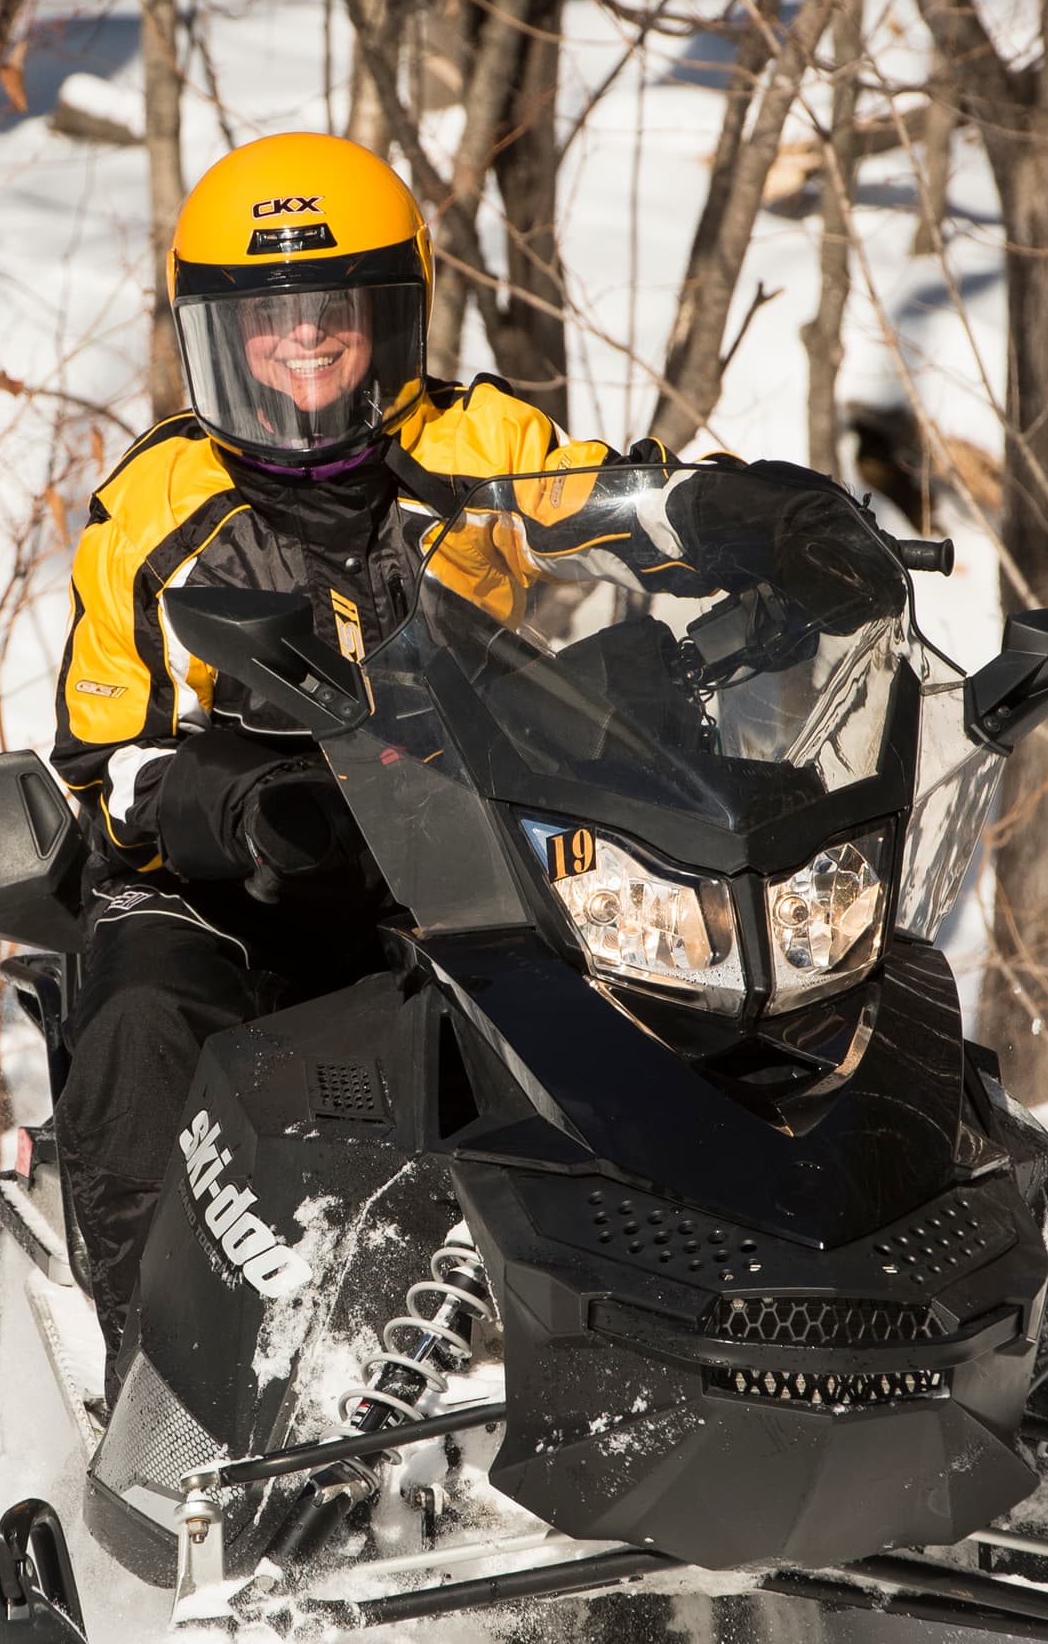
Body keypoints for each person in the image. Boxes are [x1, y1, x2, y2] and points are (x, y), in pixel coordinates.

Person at [42, 133, 619, 1378]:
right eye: (265, 319)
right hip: (235, 882)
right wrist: (239, 802)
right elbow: (112, 768)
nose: (302, 340)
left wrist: (749, 521)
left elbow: (617, 503)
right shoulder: (159, 505)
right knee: (143, 1005)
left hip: (464, 843)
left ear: (394, 314)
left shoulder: (471, 445)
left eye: (332, 310)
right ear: (214, 336)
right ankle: (165, 1386)